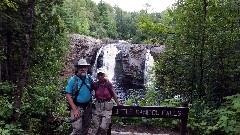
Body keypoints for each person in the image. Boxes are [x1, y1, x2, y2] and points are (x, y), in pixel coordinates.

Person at [65, 58, 93, 135]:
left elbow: (97, 86)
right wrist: (74, 109)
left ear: (87, 68)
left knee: (86, 127)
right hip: (77, 107)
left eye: (84, 67)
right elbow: (68, 94)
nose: (83, 69)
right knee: (77, 128)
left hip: (88, 107)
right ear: (77, 68)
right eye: (81, 67)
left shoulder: (89, 78)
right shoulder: (73, 80)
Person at [91, 68, 123, 135]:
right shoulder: (95, 84)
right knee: (95, 127)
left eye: (101, 74)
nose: (100, 76)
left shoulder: (109, 84)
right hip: (97, 106)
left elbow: (113, 94)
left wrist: (118, 103)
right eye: (98, 75)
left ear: (104, 75)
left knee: (103, 127)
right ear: (97, 75)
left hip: (107, 107)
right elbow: (88, 92)